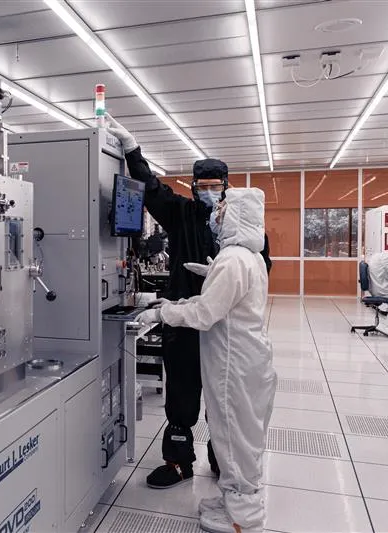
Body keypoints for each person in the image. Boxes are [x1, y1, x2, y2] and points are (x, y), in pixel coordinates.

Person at [106, 113, 272, 488]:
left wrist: (226, 285)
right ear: (194, 187)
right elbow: (151, 188)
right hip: (183, 323)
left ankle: (222, 457)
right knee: (181, 389)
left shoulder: (247, 234)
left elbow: (259, 276)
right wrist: (133, 150)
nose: (209, 193)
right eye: (202, 186)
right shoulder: (183, 214)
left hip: (224, 331)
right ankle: (179, 459)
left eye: (216, 186)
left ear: (227, 187)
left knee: (223, 394)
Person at [136, 188, 277, 533]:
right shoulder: (248, 256)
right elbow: (230, 296)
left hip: (234, 365)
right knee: (238, 434)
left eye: (224, 208)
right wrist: (212, 274)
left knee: (232, 436)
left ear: (238, 214)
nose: (217, 212)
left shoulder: (233, 259)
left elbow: (205, 313)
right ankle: (233, 497)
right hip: (248, 359)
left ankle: (243, 515)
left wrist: (163, 313)